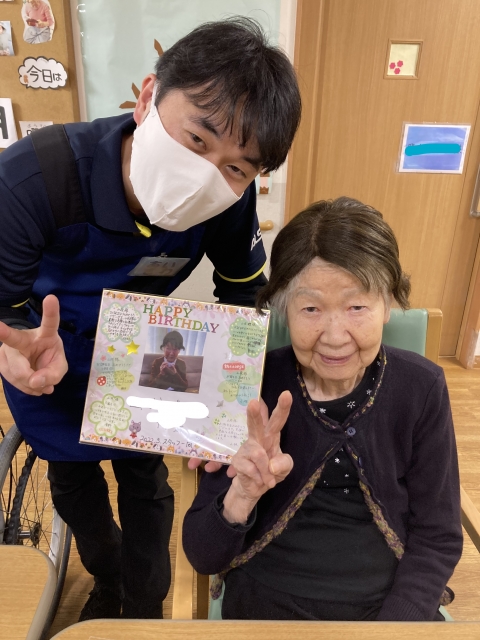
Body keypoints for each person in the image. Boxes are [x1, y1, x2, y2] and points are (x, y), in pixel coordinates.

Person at [0, 18, 301, 620]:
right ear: (147, 98)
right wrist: (14, 346)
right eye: (198, 138)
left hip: (145, 356)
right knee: (73, 485)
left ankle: (144, 605)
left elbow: (242, 294)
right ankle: (105, 577)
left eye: (238, 166)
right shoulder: (31, 178)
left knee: (144, 479)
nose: (211, 171)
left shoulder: (229, 200)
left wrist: (224, 405)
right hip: (45, 352)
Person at [183, 197, 462, 622]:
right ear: (283, 309)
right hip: (264, 607)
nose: (334, 336)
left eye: (357, 307)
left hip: (387, 608)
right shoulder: (248, 385)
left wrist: (393, 628)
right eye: (311, 308)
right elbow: (203, 554)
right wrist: (243, 493)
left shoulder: (421, 388)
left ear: (388, 304)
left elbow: (438, 536)